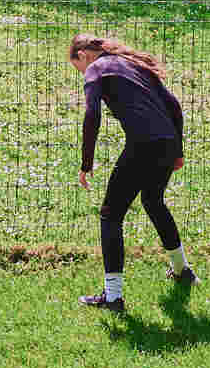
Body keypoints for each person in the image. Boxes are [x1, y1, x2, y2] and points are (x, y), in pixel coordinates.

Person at [69, 34, 196, 312]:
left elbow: (92, 114)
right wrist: (178, 149)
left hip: (144, 145)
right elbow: (173, 104)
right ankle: (182, 270)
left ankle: (113, 297)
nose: (81, 73)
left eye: (76, 67)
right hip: (166, 142)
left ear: (83, 55)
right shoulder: (133, 64)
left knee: (110, 215)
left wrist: (86, 163)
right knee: (153, 201)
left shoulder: (96, 68)